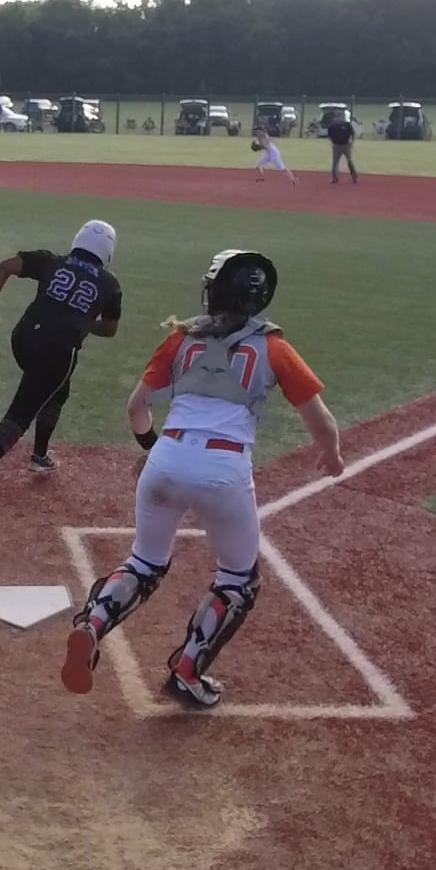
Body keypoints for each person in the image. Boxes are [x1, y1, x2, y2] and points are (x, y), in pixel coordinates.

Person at [60, 248, 344, 707]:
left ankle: (92, 623)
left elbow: (137, 408)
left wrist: (153, 449)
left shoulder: (182, 339)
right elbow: (322, 421)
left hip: (167, 458)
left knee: (145, 563)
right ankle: (187, 669)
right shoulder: (274, 347)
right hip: (223, 471)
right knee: (239, 579)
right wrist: (331, 455)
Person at [0, 220, 123, 503]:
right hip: (58, 352)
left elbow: (5, 267)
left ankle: (40, 455)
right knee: (23, 410)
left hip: (23, 338)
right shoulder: (109, 284)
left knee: (58, 391)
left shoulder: (51, 261)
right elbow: (110, 329)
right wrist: (83, 320)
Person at [326, 112, 359, 183]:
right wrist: (332, 143)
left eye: (341, 117)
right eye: (337, 118)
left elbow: (353, 134)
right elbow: (329, 136)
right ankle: (334, 178)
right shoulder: (332, 126)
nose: (339, 119)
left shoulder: (347, 125)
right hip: (336, 146)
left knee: (349, 161)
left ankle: (354, 176)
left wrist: (352, 142)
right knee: (335, 162)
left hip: (346, 145)